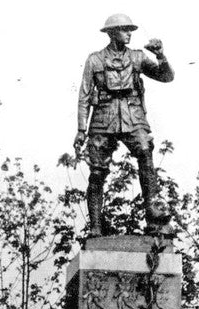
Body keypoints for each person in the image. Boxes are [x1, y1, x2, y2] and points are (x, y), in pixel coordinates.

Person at [74, 13, 174, 236]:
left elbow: (166, 77)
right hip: (103, 118)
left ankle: (155, 221)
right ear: (111, 33)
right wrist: (81, 129)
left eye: (130, 30)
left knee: (146, 154)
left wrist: (161, 56)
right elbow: (84, 95)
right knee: (97, 172)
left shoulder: (138, 57)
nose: (129, 34)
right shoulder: (94, 60)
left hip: (133, 116)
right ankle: (96, 226)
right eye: (124, 29)